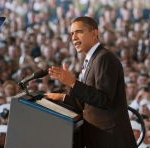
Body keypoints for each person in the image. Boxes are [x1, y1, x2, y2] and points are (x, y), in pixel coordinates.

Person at [45, 16, 137, 147]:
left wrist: (72, 83)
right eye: (72, 33)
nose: (74, 37)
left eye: (79, 32)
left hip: (110, 140)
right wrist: (60, 97)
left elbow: (103, 99)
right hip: (98, 138)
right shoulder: (91, 60)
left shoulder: (104, 58)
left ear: (94, 33)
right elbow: (88, 102)